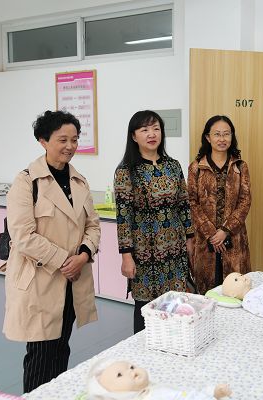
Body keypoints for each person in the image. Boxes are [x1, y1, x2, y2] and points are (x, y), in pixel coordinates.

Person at [3, 110, 101, 393]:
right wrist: (65, 261)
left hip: (72, 281)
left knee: (61, 348)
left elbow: (93, 225)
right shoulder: (26, 182)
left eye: (75, 139)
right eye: (62, 140)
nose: (70, 146)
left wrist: (83, 255)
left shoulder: (79, 181)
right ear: (43, 141)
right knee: (41, 354)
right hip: (41, 281)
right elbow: (23, 236)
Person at [114, 110, 194, 334]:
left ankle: (175, 343)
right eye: (145, 130)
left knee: (176, 303)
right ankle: (144, 348)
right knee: (146, 307)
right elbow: (123, 217)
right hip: (144, 252)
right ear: (134, 136)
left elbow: (184, 204)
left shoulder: (173, 166)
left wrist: (190, 238)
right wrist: (126, 256)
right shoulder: (126, 171)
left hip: (175, 249)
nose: (151, 134)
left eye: (156, 129)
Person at [187, 115, 251, 293]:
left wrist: (225, 230)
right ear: (208, 137)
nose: (222, 139)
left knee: (235, 290)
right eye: (217, 134)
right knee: (207, 291)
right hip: (205, 240)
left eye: (226, 134)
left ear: (232, 136)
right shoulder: (196, 167)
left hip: (234, 238)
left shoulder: (240, 166)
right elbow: (191, 201)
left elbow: (245, 201)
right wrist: (211, 233)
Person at [85, 358, 231, 400]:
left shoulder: (152, 389)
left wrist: (212, 392)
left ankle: (213, 393)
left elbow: (184, 393)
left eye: (131, 366)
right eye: (119, 375)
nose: (131, 371)